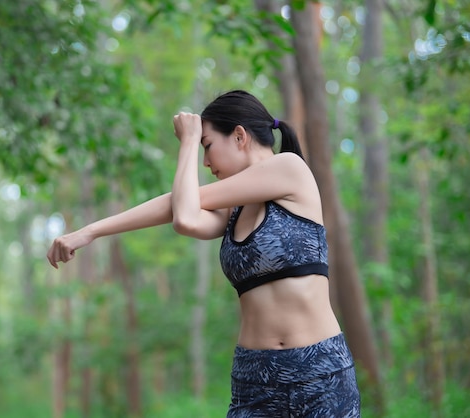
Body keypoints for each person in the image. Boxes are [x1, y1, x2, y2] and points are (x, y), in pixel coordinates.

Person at [47, 90, 361, 417]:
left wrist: (188, 141)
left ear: (239, 135)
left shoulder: (289, 168)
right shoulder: (233, 208)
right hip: (254, 378)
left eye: (207, 147)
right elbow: (181, 208)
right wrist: (90, 231)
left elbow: (183, 212)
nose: (206, 162)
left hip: (320, 373)